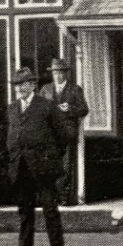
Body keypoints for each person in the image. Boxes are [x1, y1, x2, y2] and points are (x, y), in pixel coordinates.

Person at [4, 66, 71, 246]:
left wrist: (51, 157)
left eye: (23, 84)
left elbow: (63, 136)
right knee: (24, 208)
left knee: (49, 206)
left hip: (43, 165)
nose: (19, 88)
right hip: (21, 165)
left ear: (32, 85)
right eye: (16, 84)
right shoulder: (12, 108)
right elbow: (11, 136)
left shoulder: (46, 106)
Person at [39, 58, 89, 206]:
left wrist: (70, 109)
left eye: (61, 73)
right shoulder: (46, 90)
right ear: (52, 74)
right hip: (50, 135)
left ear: (65, 74)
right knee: (52, 165)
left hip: (68, 133)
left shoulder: (75, 89)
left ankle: (64, 197)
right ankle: (52, 196)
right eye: (55, 73)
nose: (58, 76)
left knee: (66, 166)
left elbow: (84, 109)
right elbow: (39, 110)